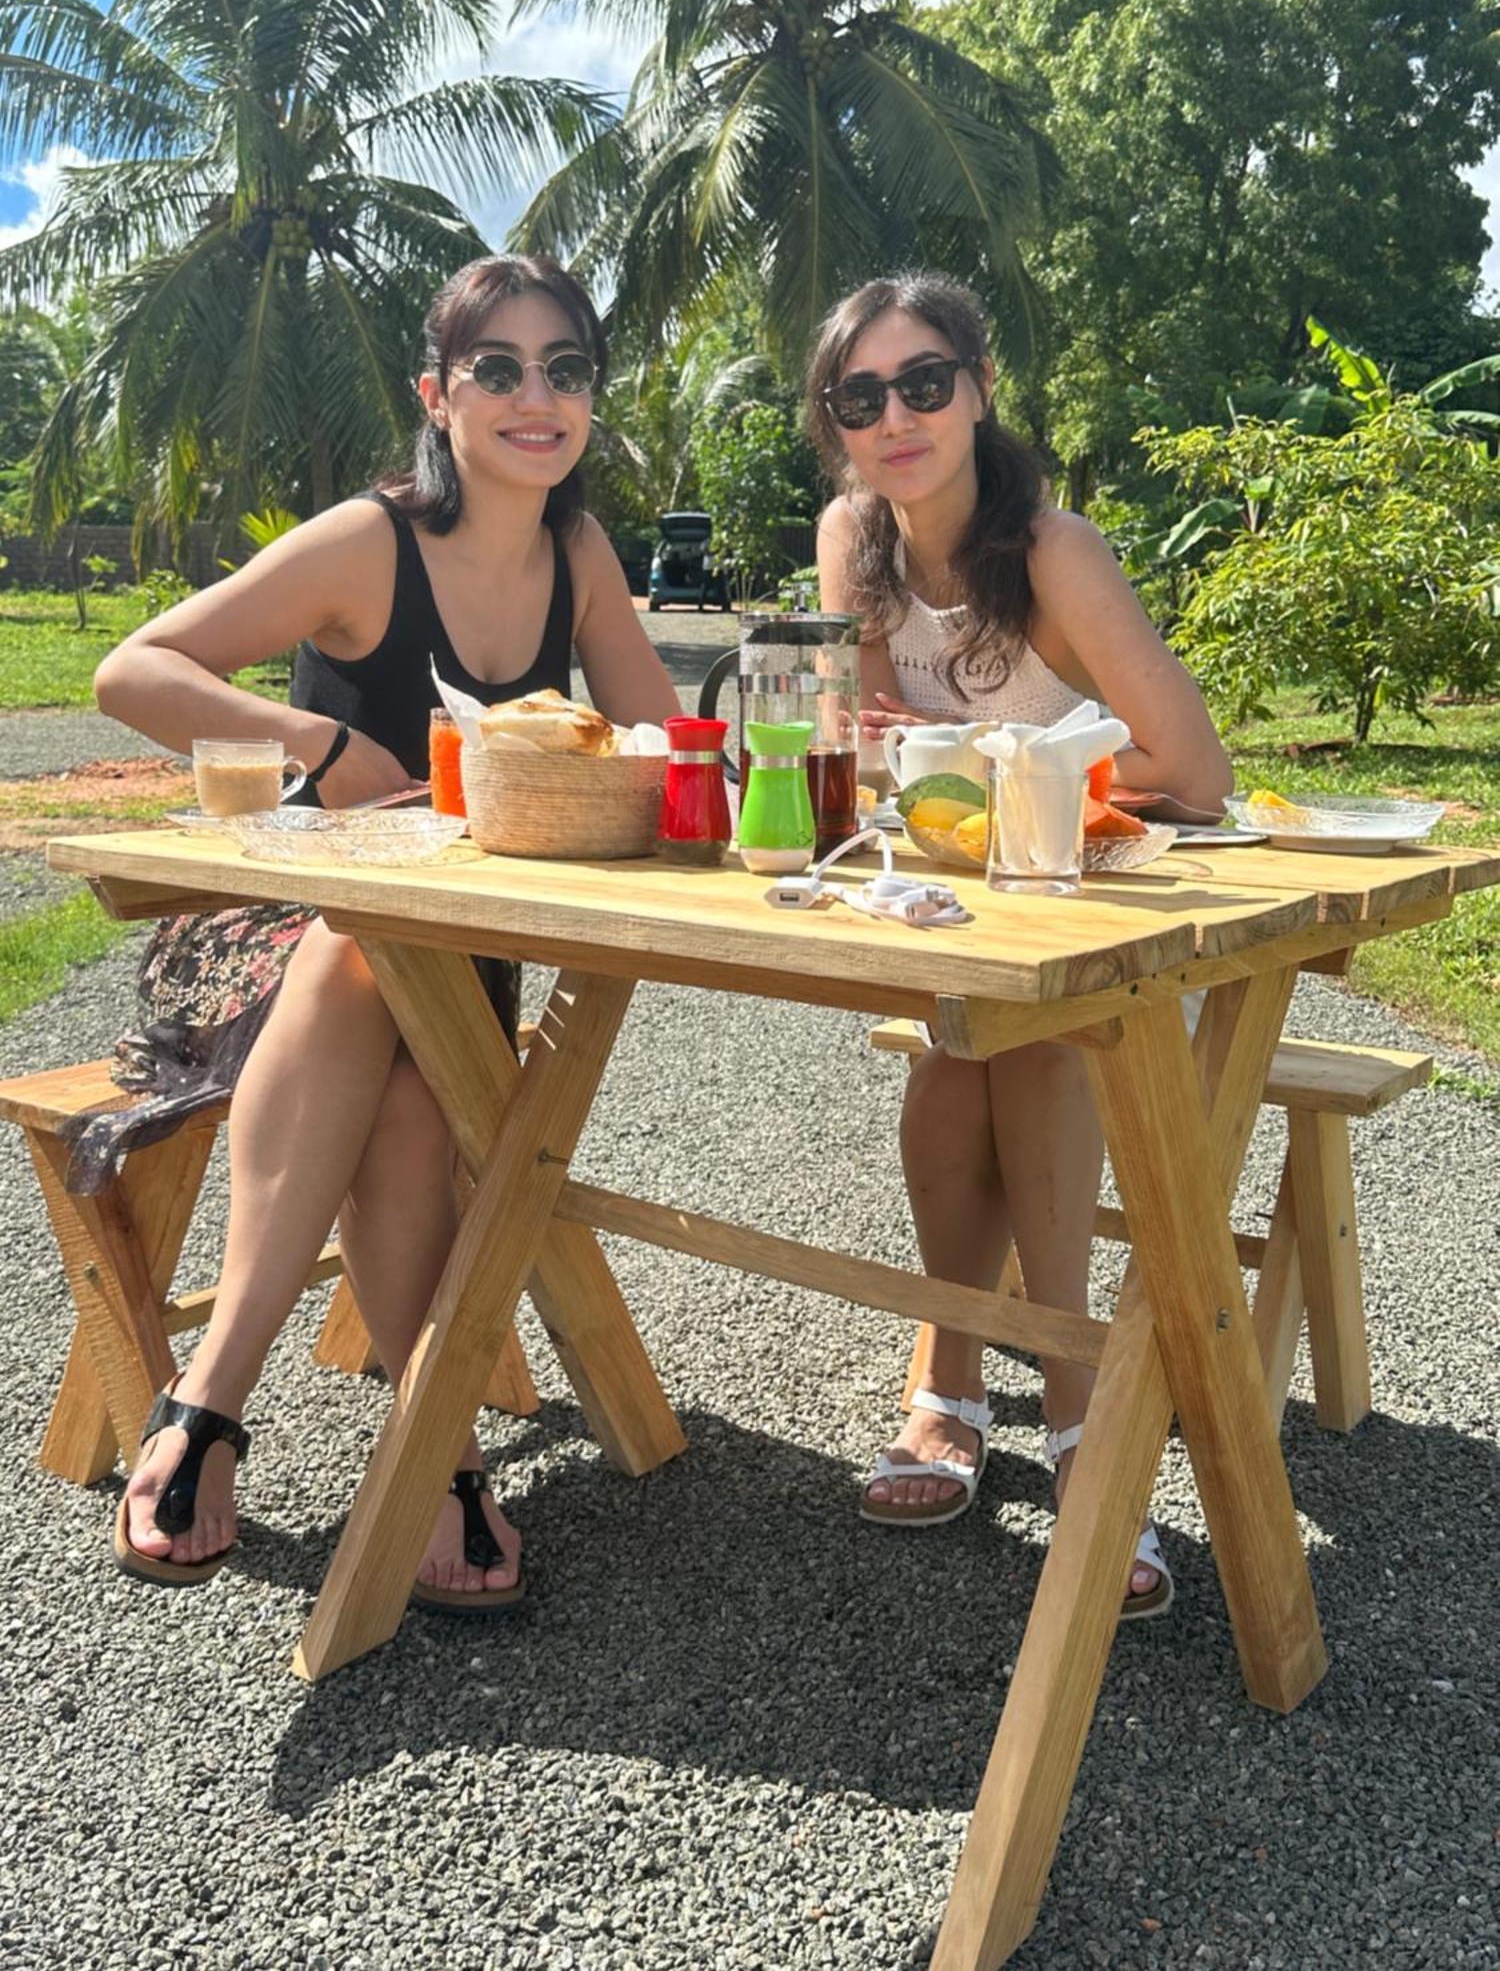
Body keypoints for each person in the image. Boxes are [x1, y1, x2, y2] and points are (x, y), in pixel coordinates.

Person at [94, 253, 679, 1608]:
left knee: (415, 1059)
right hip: (263, 930)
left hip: (452, 942)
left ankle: (349, 1435)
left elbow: (651, 739)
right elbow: (137, 670)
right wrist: (321, 743)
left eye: (567, 369)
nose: (537, 396)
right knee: (372, 966)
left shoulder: (576, 554)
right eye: (499, 369)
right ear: (440, 393)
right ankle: (266, 1401)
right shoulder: (371, 539)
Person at [808, 273, 1232, 1616]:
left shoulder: (1055, 550)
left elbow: (1197, 771)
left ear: (979, 392)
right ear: (838, 426)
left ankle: (1054, 1399)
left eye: (925, 382)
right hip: (961, 922)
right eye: (862, 396)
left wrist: (1023, 794)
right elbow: (864, 749)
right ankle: (968, 1377)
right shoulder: (851, 540)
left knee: (1023, 1047)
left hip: (1100, 926)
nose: (898, 416)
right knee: (958, 1053)